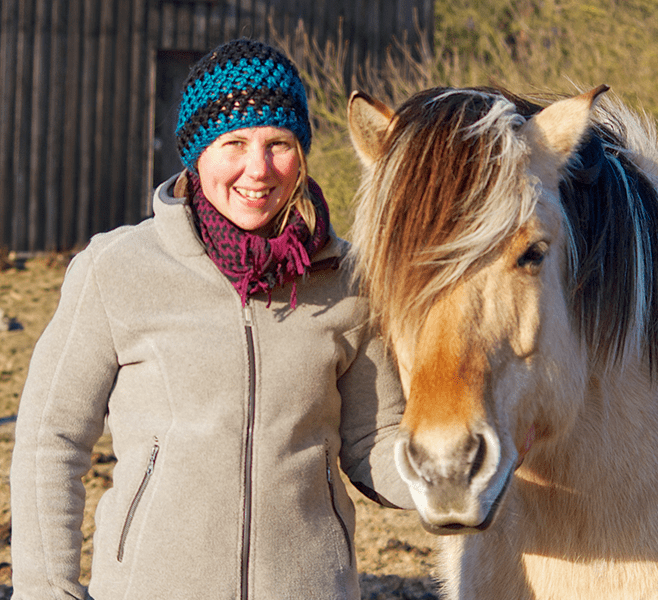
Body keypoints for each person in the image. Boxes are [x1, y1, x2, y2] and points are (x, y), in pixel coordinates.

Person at [10, 38, 411, 600]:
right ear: (196, 152)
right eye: (235, 143)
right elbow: (50, 442)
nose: (259, 168)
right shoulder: (116, 269)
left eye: (279, 143)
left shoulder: (348, 280)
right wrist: (46, 589)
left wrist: (445, 478)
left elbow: (373, 440)